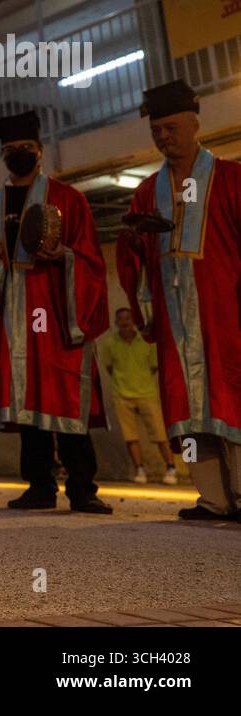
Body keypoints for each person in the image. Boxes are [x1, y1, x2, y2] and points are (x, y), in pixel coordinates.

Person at [0, 110, 112, 513]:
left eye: (25, 149)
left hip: (59, 310)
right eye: (10, 150)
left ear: (41, 151)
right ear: (2, 155)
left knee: (66, 398)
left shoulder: (69, 199)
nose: (18, 155)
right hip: (16, 313)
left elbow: (91, 258)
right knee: (27, 399)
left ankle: (83, 489)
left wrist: (63, 255)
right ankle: (39, 486)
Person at [116, 81, 241, 520]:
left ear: (194, 123)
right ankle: (213, 499)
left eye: (170, 127)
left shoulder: (232, 178)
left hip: (226, 315)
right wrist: (131, 242)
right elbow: (135, 259)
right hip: (173, 319)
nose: (163, 136)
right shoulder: (147, 192)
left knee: (232, 398)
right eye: (156, 130)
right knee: (186, 407)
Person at [100, 307, 176, 484]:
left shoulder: (146, 341)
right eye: (121, 319)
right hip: (122, 396)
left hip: (147, 394)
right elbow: (110, 368)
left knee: (160, 434)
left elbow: (154, 367)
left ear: (133, 321)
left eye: (128, 318)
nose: (125, 322)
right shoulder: (110, 344)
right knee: (130, 436)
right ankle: (140, 470)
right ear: (116, 322)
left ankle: (171, 468)